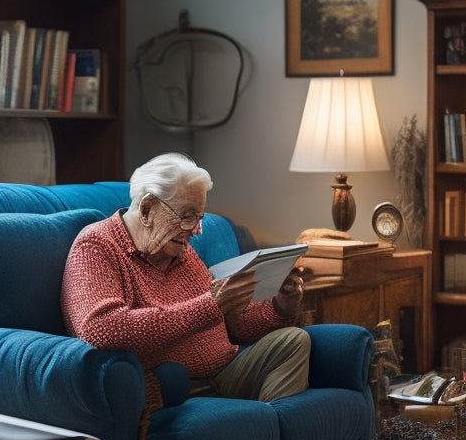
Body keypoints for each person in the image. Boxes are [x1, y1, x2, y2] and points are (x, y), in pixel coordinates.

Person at [60, 153, 310, 402]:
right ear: (147, 209)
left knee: (294, 341)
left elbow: (236, 325)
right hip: (175, 388)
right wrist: (210, 305)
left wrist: (281, 305)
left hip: (227, 370)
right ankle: (269, 425)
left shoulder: (178, 249)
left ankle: (272, 426)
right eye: (187, 216)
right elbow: (102, 329)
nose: (196, 230)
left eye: (199, 218)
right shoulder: (96, 245)